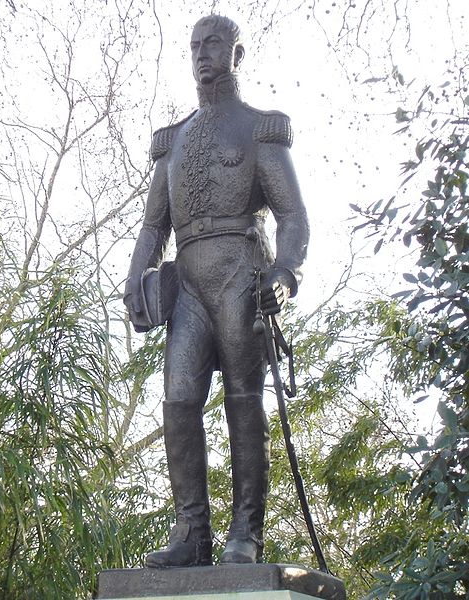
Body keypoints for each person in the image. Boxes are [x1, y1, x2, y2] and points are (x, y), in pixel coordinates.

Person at [123, 14, 309, 568]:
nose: (203, 54)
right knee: (179, 402)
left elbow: (292, 215)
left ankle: (245, 531)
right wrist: (136, 276)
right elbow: (155, 225)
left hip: (241, 277)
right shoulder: (173, 141)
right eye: (195, 46)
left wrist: (286, 273)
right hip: (189, 289)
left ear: (237, 53)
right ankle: (192, 531)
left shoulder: (258, 129)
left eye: (214, 45)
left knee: (243, 402)